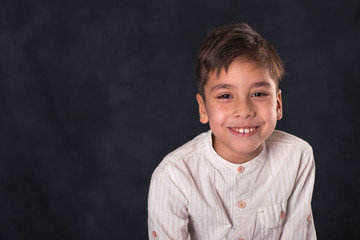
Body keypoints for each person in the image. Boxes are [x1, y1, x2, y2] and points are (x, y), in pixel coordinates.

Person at [147, 23, 316, 240]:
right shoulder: (173, 176)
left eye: (259, 94)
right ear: (203, 108)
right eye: (225, 96)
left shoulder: (298, 156)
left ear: (278, 104)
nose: (244, 111)